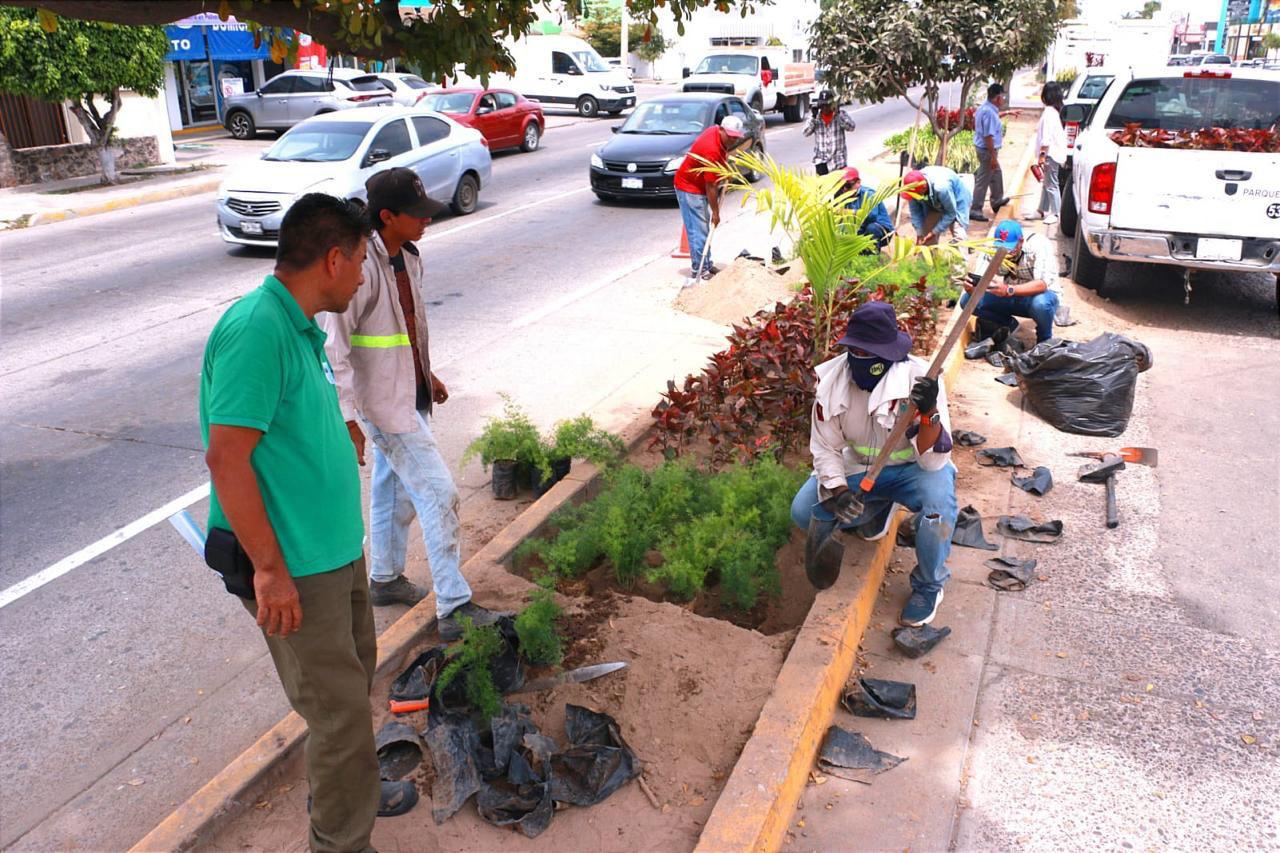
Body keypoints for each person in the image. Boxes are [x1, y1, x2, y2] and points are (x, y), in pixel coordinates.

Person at [200, 193, 417, 852]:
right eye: (358, 262)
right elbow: (226, 456)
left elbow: (286, 429)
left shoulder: (299, 324)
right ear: (331, 258)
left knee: (352, 685)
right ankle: (341, 842)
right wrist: (269, 570)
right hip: (294, 567)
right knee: (339, 712)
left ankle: (353, 787)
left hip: (334, 553)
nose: (360, 276)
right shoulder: (256, 330)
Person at [319, 168, 507, 639]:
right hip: (384, 407)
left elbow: (406, 325)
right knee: (439, 493)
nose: (425, 220)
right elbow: (333, 350)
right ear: (387, 216)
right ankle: (454, 605)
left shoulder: (410, 257)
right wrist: (348, 418)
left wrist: (429, 374)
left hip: (410, 392)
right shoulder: (361, 270)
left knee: (394, 489)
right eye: (416, 214)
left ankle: (383, 578)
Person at [790, 301, 958, 627]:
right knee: (803, 511)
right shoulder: (832, 383)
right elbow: (825, 447)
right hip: (859, 469)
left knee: (937, 511)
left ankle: (929, 585)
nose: (863, 361)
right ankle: (875, 510)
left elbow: (934, 460)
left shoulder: (919, 381)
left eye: (871, 355)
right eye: (857, 352)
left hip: (916, 471)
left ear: (889, 354)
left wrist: (929, 413)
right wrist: (838, 491)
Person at [673, 114, 750, 282]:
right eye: (729, 137)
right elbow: (711, 187)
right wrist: (716, 213)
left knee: (703, 229)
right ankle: (699, 270)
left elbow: (724, 154)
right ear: (721, 129)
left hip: (698, 184)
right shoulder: (711, 150)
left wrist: (725, 171)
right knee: (698, 230)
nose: (732, 141)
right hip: (689, 187)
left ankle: (706, 264)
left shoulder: (716, 133)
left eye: (735, 138)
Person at [963, 219, 1061, 343]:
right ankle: (1009, 324)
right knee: (967, 301)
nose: (1007, 251)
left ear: (1021, 241)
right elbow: (979, 277)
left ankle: (1044, 340)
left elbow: (1042, 284)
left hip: (1037, 297)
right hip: (1010, 296)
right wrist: (972, 288)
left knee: (1040, 303)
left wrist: (1008, 289)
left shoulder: (1039, 244)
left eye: (1010, 247)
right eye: (1002, 247)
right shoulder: (991, 246)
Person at [1026, 82, 1067, 226]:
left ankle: (1055, 212)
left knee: (1051, 184)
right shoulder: (1055, 112)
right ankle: (1041, 210)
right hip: (1053, 153)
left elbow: (1046, 137)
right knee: (1046, 183)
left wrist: (1042, 156)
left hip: (1051, 154)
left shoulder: (1050, 112)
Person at [971, 82, 1012, 222]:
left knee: (996, 174)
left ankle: (996, 200)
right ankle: (975, 209)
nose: (1004, 100)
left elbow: (991, 121)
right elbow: (988, 137)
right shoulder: (988, 112)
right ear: (997, 98)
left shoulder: (988, 108)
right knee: (984, 179)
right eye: (1003, 97)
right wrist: (993, 157)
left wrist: (1007, 113)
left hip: (986, 150)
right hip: (987, 150)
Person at [902, 166, 971, 245]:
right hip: (933, 199)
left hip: (957, 198)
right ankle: (929, 256)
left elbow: (951, 213)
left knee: (959, 234)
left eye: (916, 194)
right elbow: (915, 213)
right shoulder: (913, 187)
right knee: (926, 237)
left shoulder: (941, 187)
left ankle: (963, 254)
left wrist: (934, 232)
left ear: (923, 188)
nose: (914, 197)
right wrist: (919, 234)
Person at [804, 89, 857, 175]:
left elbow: (851, 127)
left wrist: (838, 114)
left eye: (827, 105)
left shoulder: (841, 114)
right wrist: (813, 117)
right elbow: (806, 132)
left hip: (838, 162)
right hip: (821, 162)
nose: (825, 108)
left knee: (840, 188)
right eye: (823, 105)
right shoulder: (815, 117)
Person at [841, 167, 893, 249]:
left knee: (871, 228)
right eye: (842, 186)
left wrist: (846, 212)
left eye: (847, 185)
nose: (844, 189)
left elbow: (871, 216)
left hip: (882, 229)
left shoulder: (868, 193)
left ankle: (872, 255)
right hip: (862, 228)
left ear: (858, 182)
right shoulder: (845, 197)